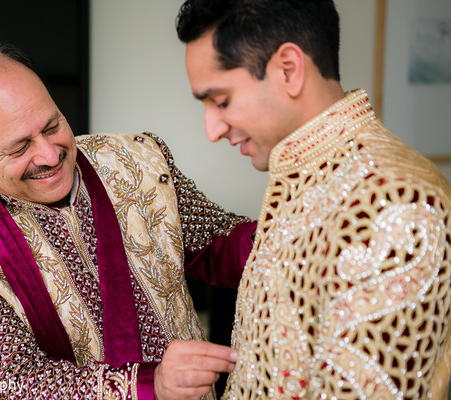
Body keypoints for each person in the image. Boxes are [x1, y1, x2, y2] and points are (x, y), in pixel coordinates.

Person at [0, 43, 257, 400]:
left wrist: (294, 231)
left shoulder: (138, 160)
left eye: (52, 126)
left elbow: (216, 244)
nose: (49, 154)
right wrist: (148, 385)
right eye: (19, 148)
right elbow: (14, 385)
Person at [176, 0, 451, 398]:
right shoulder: (304, 178)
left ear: (289, 69)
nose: (212, 129)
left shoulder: (396, 201)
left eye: (220, 101)